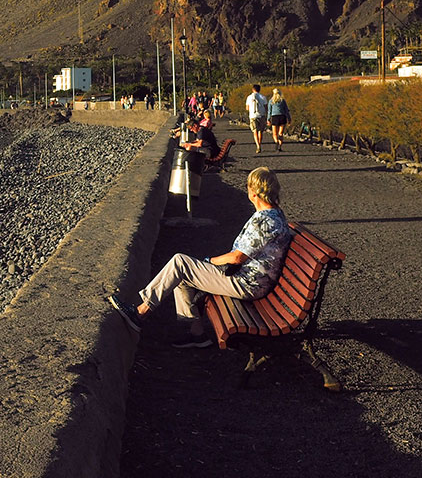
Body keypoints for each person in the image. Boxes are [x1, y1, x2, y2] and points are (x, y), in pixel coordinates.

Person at [109, 167, 292, 347]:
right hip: (252, 279)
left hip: (247, 283)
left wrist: (209, 261)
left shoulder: (265, 221)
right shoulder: (274, 215)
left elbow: (237, 258)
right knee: (181, 274)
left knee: (180, 263)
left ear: (253, 193)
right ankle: (196, 333)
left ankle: (141, 312)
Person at [246, 84, 269, 153]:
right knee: (260, 131)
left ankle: (258, 145)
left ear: (253, 89)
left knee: (255, 131)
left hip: (253, 116)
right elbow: (266, 107)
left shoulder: (249, 97)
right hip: (261, 115)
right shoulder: (263, 97)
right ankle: (260, 144)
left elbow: (247, 108)